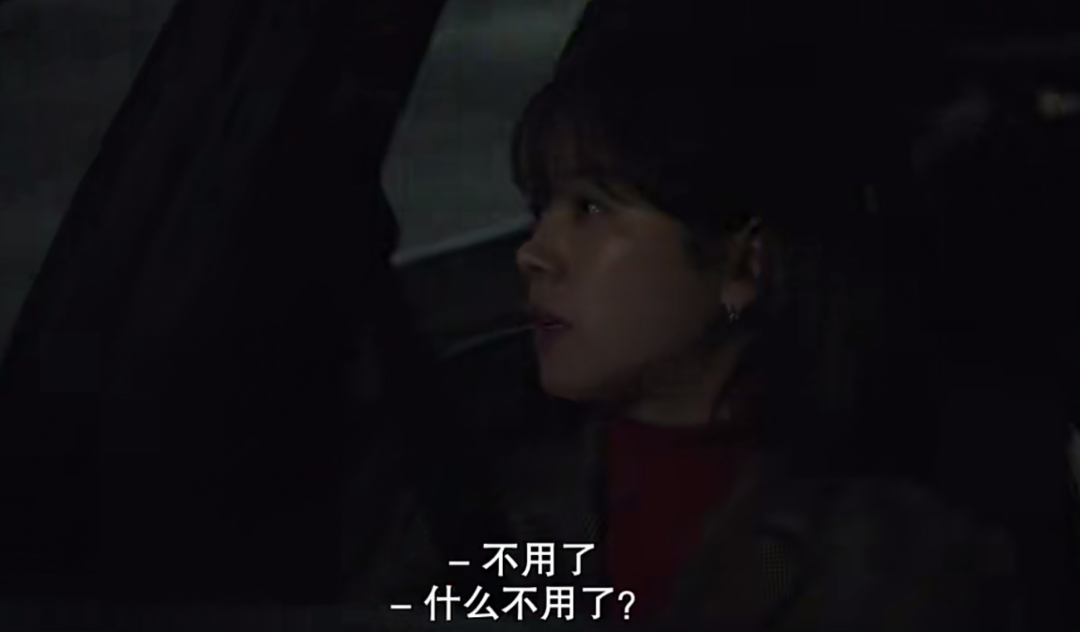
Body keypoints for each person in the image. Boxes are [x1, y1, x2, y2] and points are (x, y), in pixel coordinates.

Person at [343, 2, 1024, 629]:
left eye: (590, 208)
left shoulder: (899, 569)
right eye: (540, 210)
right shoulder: (477, 504)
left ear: (744, 265)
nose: (535, 254)